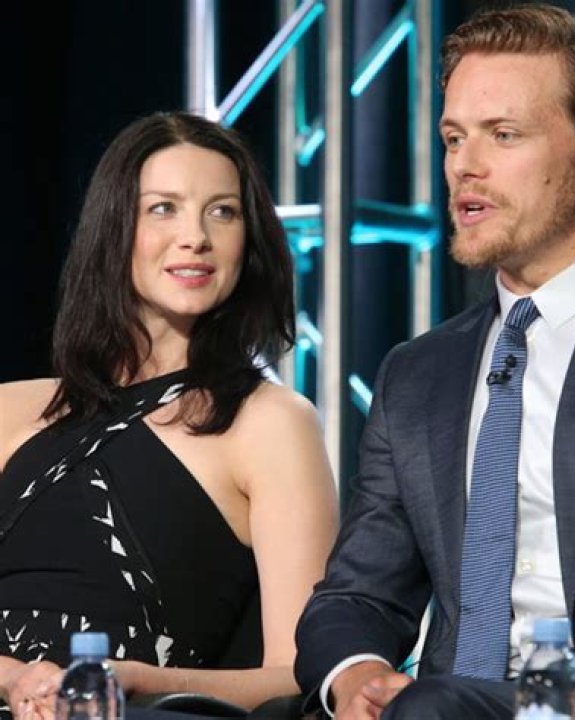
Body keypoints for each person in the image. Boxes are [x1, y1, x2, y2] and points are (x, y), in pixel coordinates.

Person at [295, 4, 575, 719]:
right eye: (453, 137)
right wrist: (357, 677)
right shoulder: (417, 372)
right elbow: (357, 594)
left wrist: (532, 689)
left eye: (503, 134)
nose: (465, 165)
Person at [0, 110, 338, 718]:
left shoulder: (270, 423)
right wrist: (17, 680)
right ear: (114, 226)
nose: (196, 237)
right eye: (163, 208)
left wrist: (135, 680)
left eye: (222, 211)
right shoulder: (11, 408)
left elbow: (300, 674)